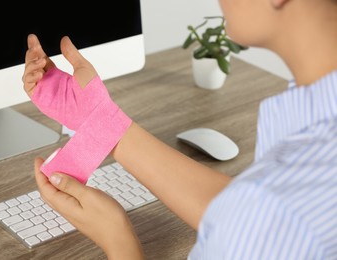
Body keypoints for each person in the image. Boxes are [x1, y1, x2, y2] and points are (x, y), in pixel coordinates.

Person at [22, 0, 337, 258]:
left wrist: (118, 239)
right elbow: (258, 220)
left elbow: (269, 216)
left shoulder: (285, 205)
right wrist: (99, 118)